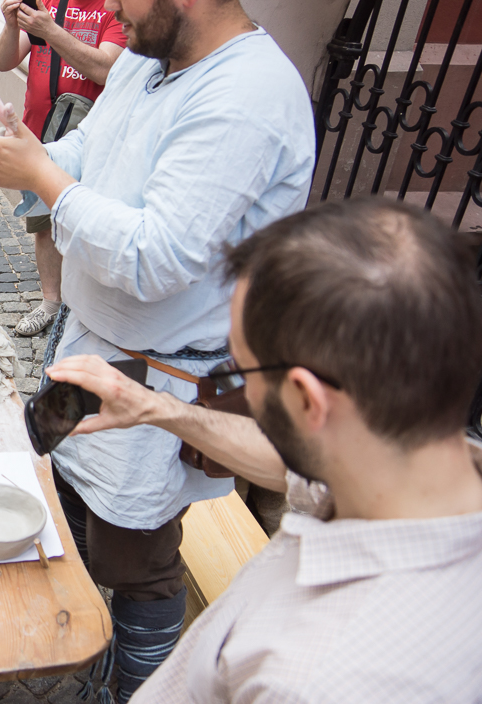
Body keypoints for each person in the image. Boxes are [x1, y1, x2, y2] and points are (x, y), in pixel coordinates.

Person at [0, 0, 315, 699]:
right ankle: (71, 640)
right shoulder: (150, 54)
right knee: (69, 502)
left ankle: (133, 689)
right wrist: (32, 156)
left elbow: (157, 258)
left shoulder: (246, 96)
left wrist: (44, 182)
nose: (109, 5)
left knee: (138, 563)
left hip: (160, 380)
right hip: (92, 342)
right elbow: (92, 151)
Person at [42, 199, 482, 702]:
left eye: (237, 371)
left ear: (306, 400)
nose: (236, 389)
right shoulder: (403, 466)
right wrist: (158, 408)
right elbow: (294, 471)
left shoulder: (313, 678)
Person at [0, 0, 125, 339]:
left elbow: (105, 69)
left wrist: (52, 31)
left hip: (93, 143)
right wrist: (12, 25)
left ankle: (84, 304)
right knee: (44, 222)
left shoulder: (116, 8)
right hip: (39, 136)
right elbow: (3, 61)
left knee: (85, 221)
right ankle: (51, 300)